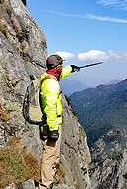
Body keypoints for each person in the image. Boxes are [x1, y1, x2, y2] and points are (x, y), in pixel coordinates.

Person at [38, 54, 80, 189]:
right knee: (50, 155)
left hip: (50, 123)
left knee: (53, 154)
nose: (62, 67)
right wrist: (53, 128)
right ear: (57, 66)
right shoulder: (51, 84)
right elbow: (50, 107)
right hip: (51, 124)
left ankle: (49, 180)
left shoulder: (48, 76)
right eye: (61, 65)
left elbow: (59, 74)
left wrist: (71, 69)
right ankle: (45, 185)